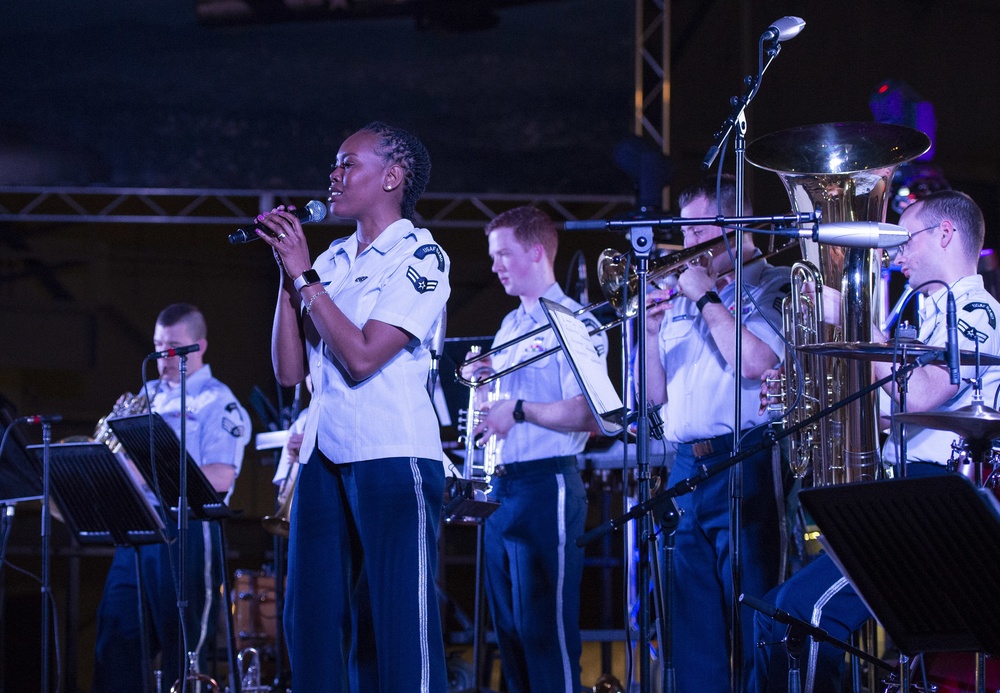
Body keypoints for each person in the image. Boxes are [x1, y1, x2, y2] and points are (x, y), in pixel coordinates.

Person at [751, 190, 1000, 693]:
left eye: (905, 239)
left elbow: (928, 392)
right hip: (903, 493)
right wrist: (802, 394)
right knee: (779, 612)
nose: (895, 254)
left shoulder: (978, 311)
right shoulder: (923, 313)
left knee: (800, 614)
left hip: (937, 499)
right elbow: (885, 411)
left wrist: (853, 313)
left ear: (946, 235)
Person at [256, 121, 451, 692]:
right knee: (309, 621)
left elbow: (364, 356)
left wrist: (305, 278)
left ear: (392, 177)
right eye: (334, 165)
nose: (334, 175)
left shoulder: (421, 257)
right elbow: (291, 373)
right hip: (324, 451)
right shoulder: (336, 257)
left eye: (349, 164)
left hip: (393, 454)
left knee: (399, 628)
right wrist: (288, 281)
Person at [641, 174, 790, 692]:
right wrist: (648, 331)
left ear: (736, 225)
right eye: (682, 233)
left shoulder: (776, 284)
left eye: (696, 231)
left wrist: (708, 299)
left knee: (755, 608)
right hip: (687, 463)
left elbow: (758, 362)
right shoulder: (684, 296)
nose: (684, 246)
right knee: (692, 621)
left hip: (746, 456)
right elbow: (654, 396)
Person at [464, 205, 607, 693]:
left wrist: (520, 409)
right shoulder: (508, 326)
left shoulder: (573, 320)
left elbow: (592, 414)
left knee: (544, 633)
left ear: (536, 251)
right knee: (511, 636)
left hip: (547, 484)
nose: (495, 266)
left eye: (503, 254)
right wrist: (484, 385)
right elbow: (496, 411)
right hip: (501, 488)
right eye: (493, 256)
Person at [92, 303, 252, 693]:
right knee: (117, 641)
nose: (162, 357)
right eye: (158, 345)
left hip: (187, 530)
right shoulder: (149, 394)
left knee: (185, 651)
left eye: (173, 347)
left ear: (199, 347)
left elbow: (221, 476)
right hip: (138, 529)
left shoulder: (218, 401)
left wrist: (150, 469)